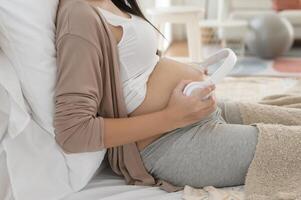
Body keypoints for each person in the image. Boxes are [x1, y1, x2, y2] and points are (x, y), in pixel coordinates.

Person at [54, 0, 298, 191]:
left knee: (294, 116)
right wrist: (173, 117)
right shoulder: (79, 17)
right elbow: (73, 132)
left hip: (195, 117)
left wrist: (188, 70)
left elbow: (138, 68)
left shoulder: (111, 2)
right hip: (170, 143)